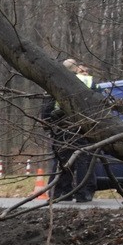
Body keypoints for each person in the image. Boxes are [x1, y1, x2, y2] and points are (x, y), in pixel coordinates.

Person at [40, 58, 98, 202]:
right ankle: (83, 193)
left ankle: (59, 193)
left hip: (62, 126)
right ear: (77, 68)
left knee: (62, 160)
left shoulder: (55, 81)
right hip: (84, 126)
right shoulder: (88, 82)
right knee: (83, 159)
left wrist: (47, 122)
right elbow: (98, 105)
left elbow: (48, 105)